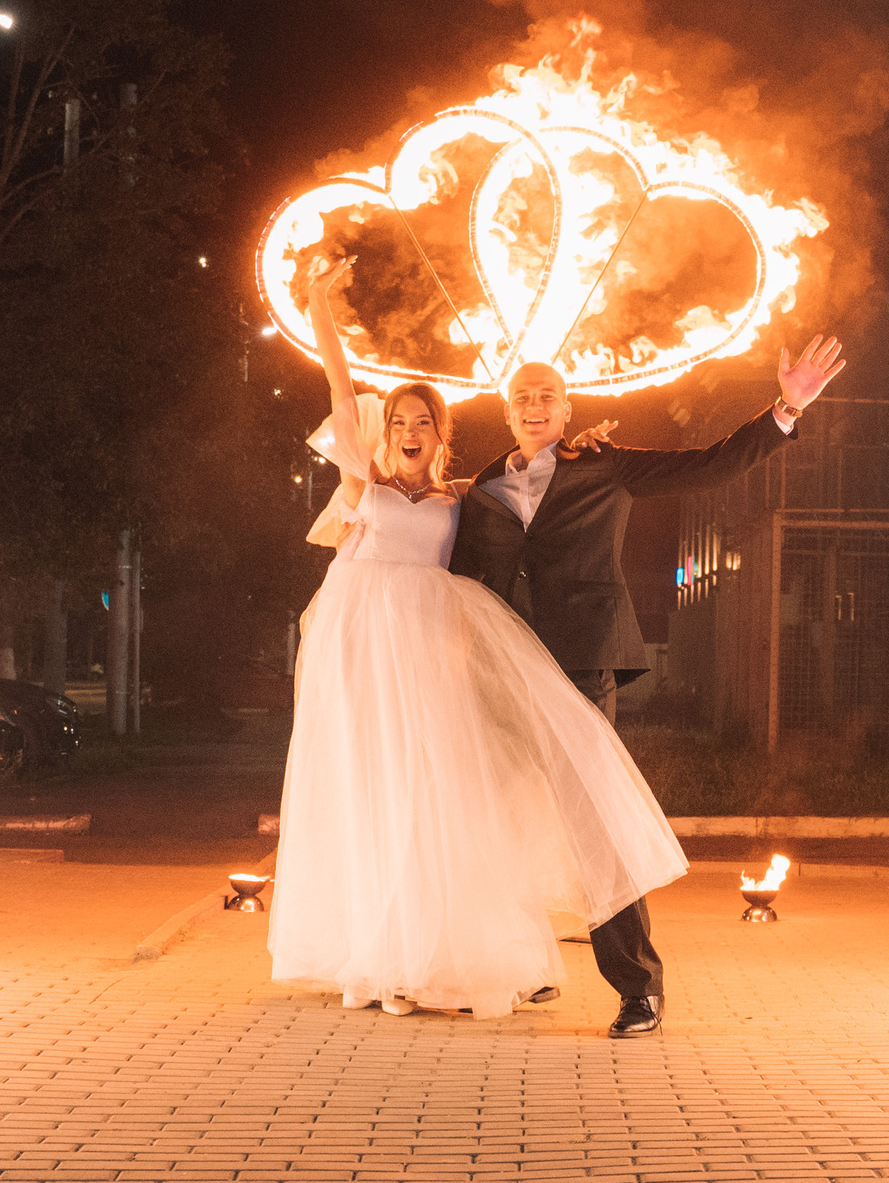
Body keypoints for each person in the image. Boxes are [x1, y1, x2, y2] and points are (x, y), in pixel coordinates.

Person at [268, 258, 689, 1022]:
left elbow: (539, 485)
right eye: (398, 422)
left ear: (443, 434)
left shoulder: (468, 496)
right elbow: (335, 383)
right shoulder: (364, 482)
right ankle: (392, 953)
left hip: (444, 658)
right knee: (388, 794)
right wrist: (319, 305)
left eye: (423, 422)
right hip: (366, 654)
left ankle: (539, 965)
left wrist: (574, 444)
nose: (409, 432)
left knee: (458, 798)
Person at [450, 338, 846, 1036]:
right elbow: (456, 577)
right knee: (493, 815)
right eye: (522, 396)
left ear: (568, 410)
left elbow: (709, 465)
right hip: (503, 663)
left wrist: (786, 408)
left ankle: (640, 989)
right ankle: (520, 966)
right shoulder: (481, 490)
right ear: (506, 411)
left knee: (592, 819)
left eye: (547, 395)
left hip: (580, 661)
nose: (534, 405)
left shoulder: (606, 467)